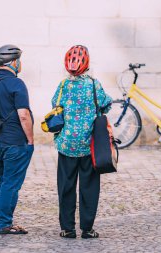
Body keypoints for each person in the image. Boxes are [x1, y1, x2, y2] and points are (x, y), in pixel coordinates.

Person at [52, 45, 112, 239]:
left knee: (66, 186)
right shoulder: (94, 85)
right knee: (89, 187)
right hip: (89, 146)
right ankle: (87, 229)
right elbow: (105, 103)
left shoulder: (63, 86)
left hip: (66, 144)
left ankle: (67, 228)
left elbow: (55, 104)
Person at [0, 44, 34, 234]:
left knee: (4, 181)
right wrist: (30, 140)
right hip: (15, 141)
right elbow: (23, 115)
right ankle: (4, 224)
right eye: (19, 60)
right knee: (11, 184)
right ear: (14, 62)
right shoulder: (16, 83)